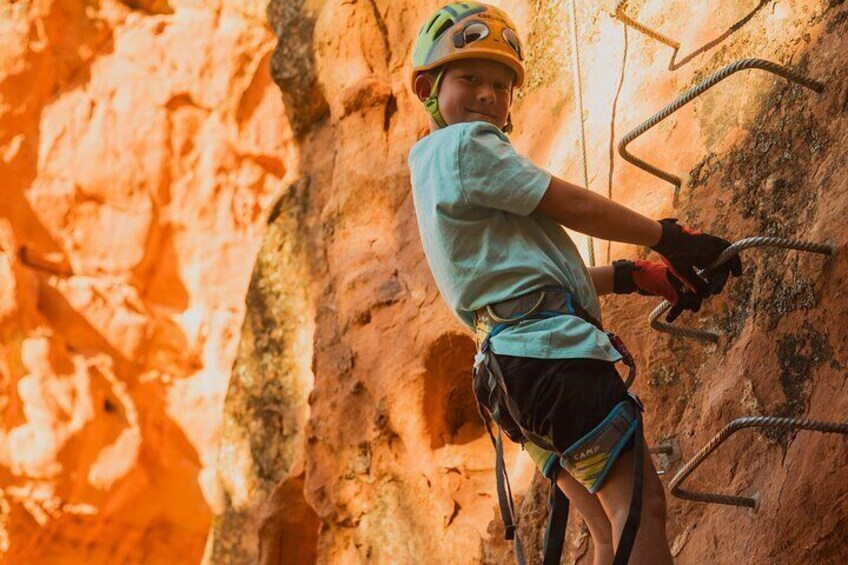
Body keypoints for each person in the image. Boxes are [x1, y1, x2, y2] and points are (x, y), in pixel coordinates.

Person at [406, 3, 742, 564]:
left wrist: (632, 277)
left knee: (609, 530)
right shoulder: (466, 146)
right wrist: (665, 236)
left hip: (511, 376)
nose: (488, 94)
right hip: (550, 361)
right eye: (469, 78)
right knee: (639, 508)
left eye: (501, 84)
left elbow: (530, 283)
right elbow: (569, 201)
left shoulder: (433, 171)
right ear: (427, 86)